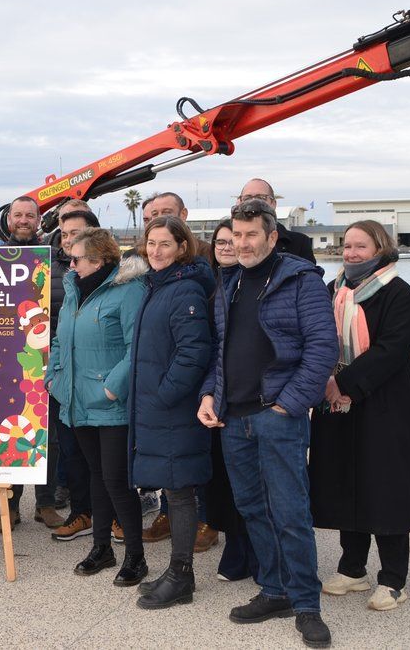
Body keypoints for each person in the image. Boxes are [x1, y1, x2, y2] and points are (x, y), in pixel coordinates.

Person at [198, 199, 336, 647]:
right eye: (236, 236)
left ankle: (306, 604)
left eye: (250, 235)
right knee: (253, 508)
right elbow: (219, 350)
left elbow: (321, 349)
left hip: (277, 416)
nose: (242, 243)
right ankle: (274, 590)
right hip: (233, 418)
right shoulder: (230, 281)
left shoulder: (300, 280)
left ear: (272, 236)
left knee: (291, 512)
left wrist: (287, 406)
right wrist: (209, 395)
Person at [309, 220, 410, 612]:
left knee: (384, 488)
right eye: (347, 246)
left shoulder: (397, 293)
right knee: (344, 484)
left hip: (383, 407)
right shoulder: (335, 289)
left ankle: (393, 579)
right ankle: (352, 568)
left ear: (380, 249)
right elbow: (318, 336)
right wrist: (323, 378)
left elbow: (392, 349)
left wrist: (344, 383)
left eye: (360, 246)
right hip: (336, 406)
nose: (351, 253)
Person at [46, 228, 147, 585]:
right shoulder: (75, 290)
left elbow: (137, 347)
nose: (70, 265)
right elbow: (59, 340)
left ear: (99, 260)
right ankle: (102, 548)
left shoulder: (129, 291)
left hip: (109, 404)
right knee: (96, 478)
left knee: (117, 480)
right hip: (75, 399)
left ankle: (136, 555)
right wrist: (54, 379)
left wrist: (110, 390)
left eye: (76, 258)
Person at [129, 216, 214, 609]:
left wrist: (163, 396)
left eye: (165, 244)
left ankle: (182, 576)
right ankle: (177, 571)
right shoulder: (159, 286)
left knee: (180, 493)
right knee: (172, 489)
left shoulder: (186, 291)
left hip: (173, 411)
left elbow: (194, 352)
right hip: (157, 408)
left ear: (182, 248)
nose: (156, 251)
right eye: (151, 243)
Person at [203, 220, 259, 583]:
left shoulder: (249, 281)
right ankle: (234, 545)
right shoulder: (211, 283)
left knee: (250, 484)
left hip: (244, 399)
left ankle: (251, 551)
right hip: (212, 395)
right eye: (220, 241)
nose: (226, 247)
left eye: (232, 240)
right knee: (222, 481)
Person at [0, 195, 47, 531]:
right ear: (9, 219)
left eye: (30, 215)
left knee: (47, 434)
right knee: (14, 428)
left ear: (38, 220)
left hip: (43, 352)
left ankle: (46, 503)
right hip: (6, 354)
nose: (24, 220)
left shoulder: (51, 255)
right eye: (18, 215)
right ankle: (9, 506)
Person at [47, 207, 99, 540]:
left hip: (98, 381)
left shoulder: (115, 277)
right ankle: (82, 513)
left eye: (75, 234)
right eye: (64, 235)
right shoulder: (57, 274)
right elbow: (56, 332)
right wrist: (52, 374)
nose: (68, 241)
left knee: (103, 455)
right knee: (71, 450)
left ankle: (112, 516)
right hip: (64, 380)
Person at [236, 178, 315, 263]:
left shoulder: (299, 243)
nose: (254, 202)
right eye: (247, 198)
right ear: (239, 202)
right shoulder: (227, 243)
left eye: (261, 198)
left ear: (273, 204)